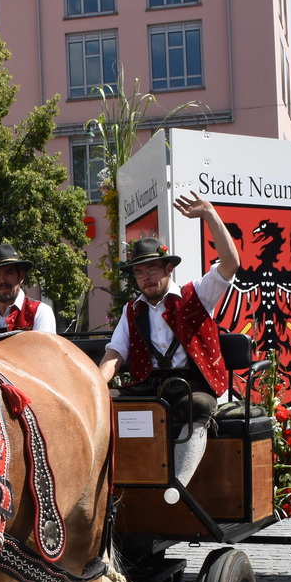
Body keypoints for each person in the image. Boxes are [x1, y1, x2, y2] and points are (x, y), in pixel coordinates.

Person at [98, 191, 243, 486]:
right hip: (150, 384)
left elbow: (230, 263)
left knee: (198, 406)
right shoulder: (132, 310)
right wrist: (94, 386)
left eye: (151, 269)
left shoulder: (197, 294)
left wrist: (210, 214)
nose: (145, 277)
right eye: (139, 272)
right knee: (106, 403)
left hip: (192, 384)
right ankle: (118, 485)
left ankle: (176, 489)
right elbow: (115, 354)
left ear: (168, 268)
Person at [0, 243, 57, 334]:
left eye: (8, 273)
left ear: (21, 276)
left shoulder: (40, 312)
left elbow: (42, 348)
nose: (2, 280)